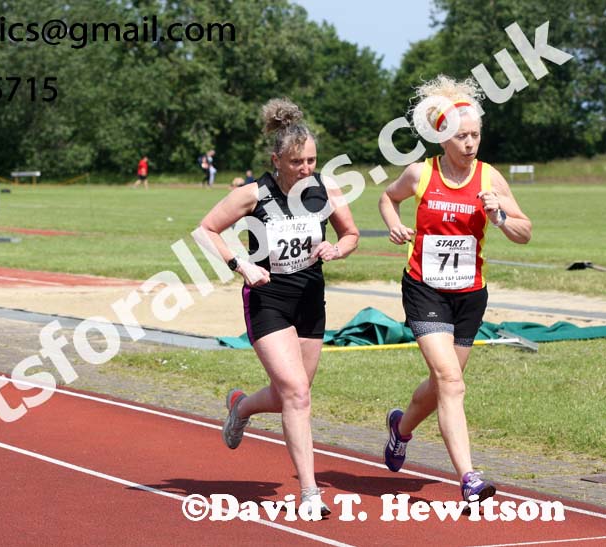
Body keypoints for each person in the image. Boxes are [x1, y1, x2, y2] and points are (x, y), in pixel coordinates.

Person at [199, 98, 359, 514]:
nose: (306, 169)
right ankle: (309, 493)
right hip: (268, 299)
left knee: (295, 393)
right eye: (297, 162)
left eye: (311, 160)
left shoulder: (325, 189)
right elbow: (206, 231)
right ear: (276, 160)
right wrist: (241, 265)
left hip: (310, 300)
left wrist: (336, 249)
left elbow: (351, 234)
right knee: (297, 395)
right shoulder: (254, 194)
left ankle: (242, 407)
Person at [378, 75, 532, 502]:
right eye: (462, 136)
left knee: (443, 382)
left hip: (469, 295)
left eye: (476, 135)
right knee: (451, 381)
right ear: (443, 137)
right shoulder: (419, 173)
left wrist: (499, 216)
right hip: (425, 289)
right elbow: (387, 198)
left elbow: (525, 232)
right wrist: (394, 225)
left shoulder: (489, 178)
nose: (470, 143)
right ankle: (468, 477)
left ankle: (400, 428)